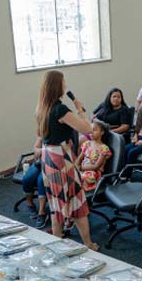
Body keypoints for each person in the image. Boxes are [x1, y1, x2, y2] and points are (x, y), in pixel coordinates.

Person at [34, 70, 98, 250]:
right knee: (76, 199)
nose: (66, 85)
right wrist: (80, 109)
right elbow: (88, 128)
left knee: (56, 202)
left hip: (49, 157)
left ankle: (57, 243)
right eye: (63, 82)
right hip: (61, 159)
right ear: (57, 85)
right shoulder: (60, 109)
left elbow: (40, 134)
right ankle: (88, 244)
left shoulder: (41, 108)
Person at [76, 121, 113, 192]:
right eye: (90, 130)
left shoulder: (104, 148)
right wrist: (77, 168)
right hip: (82, 170)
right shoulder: (87, 144)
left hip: (93, 173)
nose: (91, 132)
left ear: (102, 132)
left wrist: (81, 168)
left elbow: (96, 166)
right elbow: (80, 158)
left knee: (82, 178)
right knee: (70, 175)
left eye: (94, 130)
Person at [21, 138, 49, 228]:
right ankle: (30, 204)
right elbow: (36, 148)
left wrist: (42, 151)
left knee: (41, 180)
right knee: (27, 178)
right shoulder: (44, 131)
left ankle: (42, 212)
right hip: (39, 163)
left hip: (52, 164)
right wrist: (41, 150)